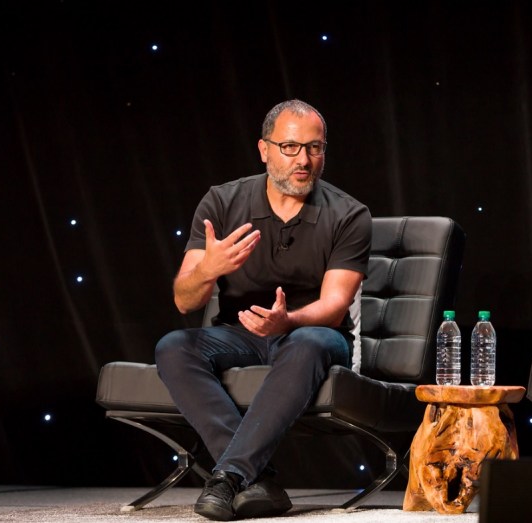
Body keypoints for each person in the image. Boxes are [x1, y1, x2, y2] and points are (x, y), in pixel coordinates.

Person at [155, 99, 371, 521]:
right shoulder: (222, 201)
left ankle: (229, 476)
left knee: (308, 341)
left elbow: (333, 306)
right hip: (240, 333)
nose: (304, 160)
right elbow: (185, 300)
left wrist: (287, 321)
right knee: (174, 347)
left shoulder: (349, 214)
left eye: (315, 147)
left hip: (315, 335)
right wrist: (208, 270)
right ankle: (256, 478)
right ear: (264, 149)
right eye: (290, 147)